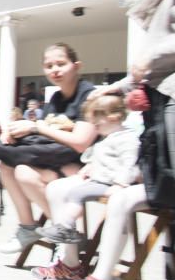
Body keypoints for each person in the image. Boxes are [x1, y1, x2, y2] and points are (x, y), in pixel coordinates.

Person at [58, 0, 175, 280]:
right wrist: (119, 85)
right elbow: (151, 60)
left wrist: (147, 62)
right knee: (153, 190)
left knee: (164, 187)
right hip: (160, 98)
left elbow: (160, 51)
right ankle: (99, 278)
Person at [0, 43, 97, 262]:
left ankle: (65, 233)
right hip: (58, 161)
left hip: (86, 168)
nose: (55, 70)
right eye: (49, 65)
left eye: (61, 64)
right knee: (6, 164)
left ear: (76, 66)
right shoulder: (56, 99)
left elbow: (80, 142)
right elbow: (47, 136)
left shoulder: (89, 96)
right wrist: (14, 134)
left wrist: (36, 127)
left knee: (23, 172)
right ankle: (31, 227)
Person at [36, 96, 140, 249]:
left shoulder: (126, 139)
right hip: (101, 179)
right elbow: (100, 158)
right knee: (73, 192)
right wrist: (89, 167)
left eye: (97, 121)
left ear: (114, 117)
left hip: (110, 182)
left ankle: (66, 227)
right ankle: (66, 227)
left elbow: (129, 164)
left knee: (76, 194)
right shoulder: (108, 137)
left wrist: (120, 184)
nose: (94, 125)